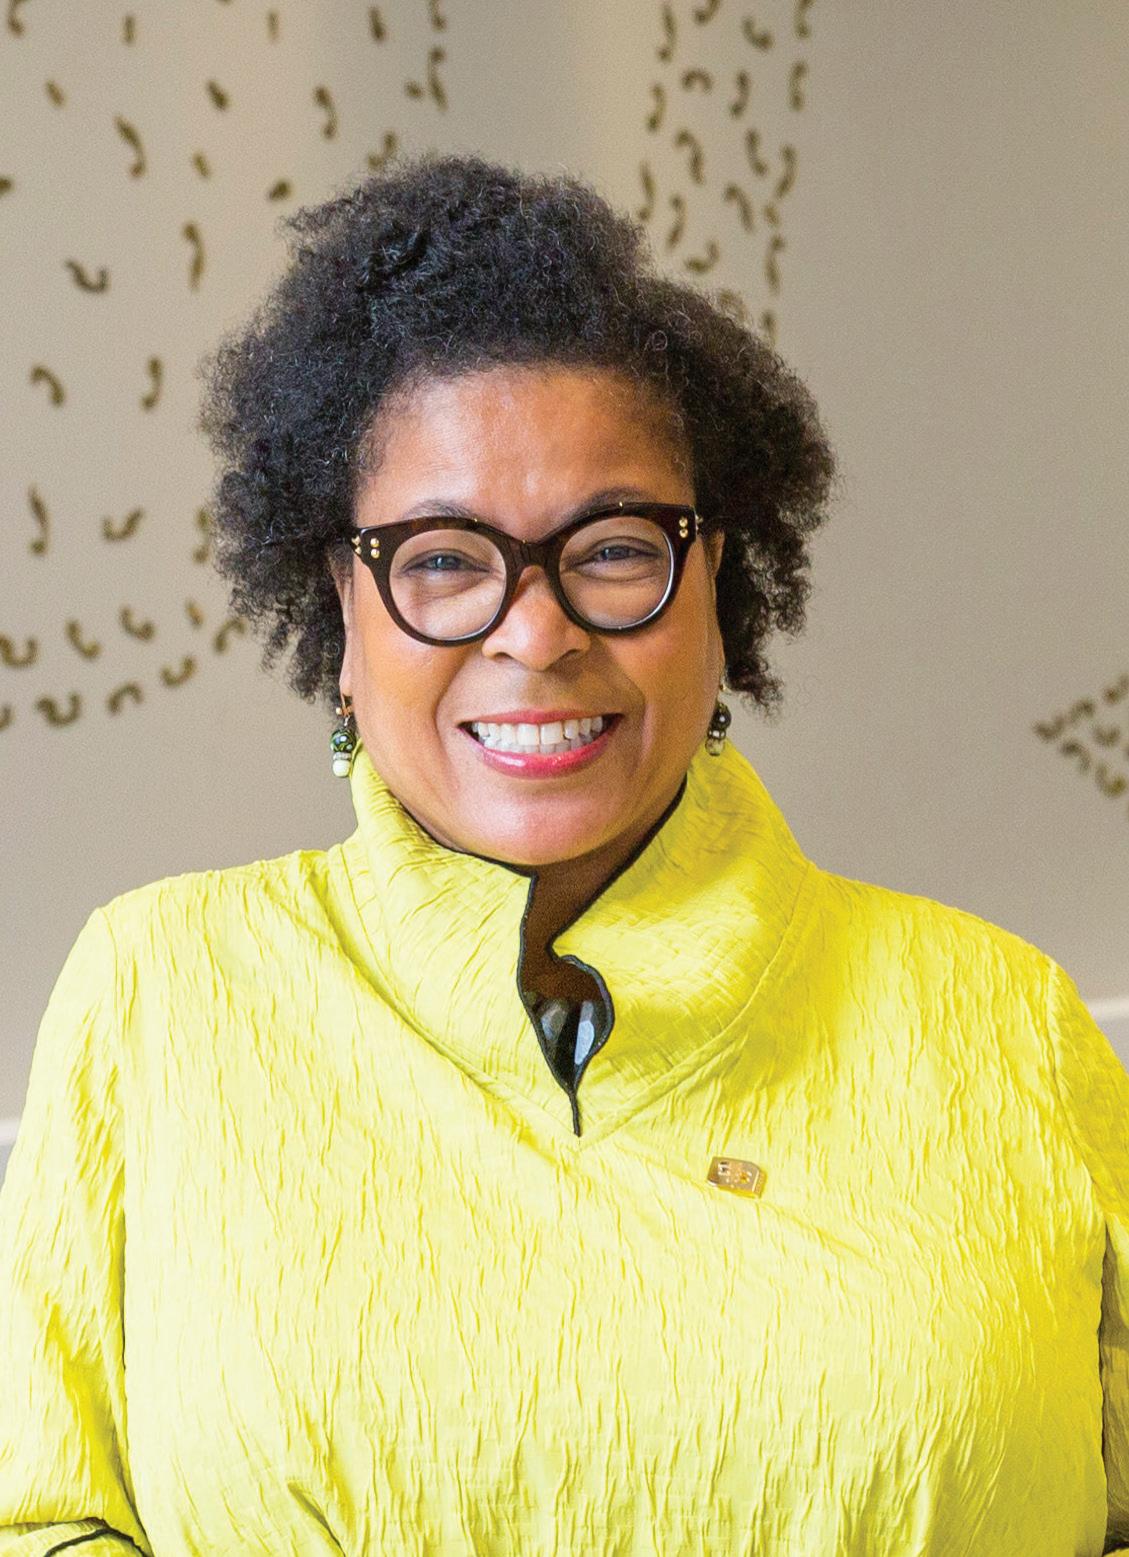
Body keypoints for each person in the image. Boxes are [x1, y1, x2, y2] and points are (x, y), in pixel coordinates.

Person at [0, 152, 1125, 1557]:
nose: (535, 635)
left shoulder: (1004, 1019)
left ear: (716, 585)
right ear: (341, 606)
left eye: (612, 549)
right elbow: (41, 1519)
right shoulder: (158, 991)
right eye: (442, 560)